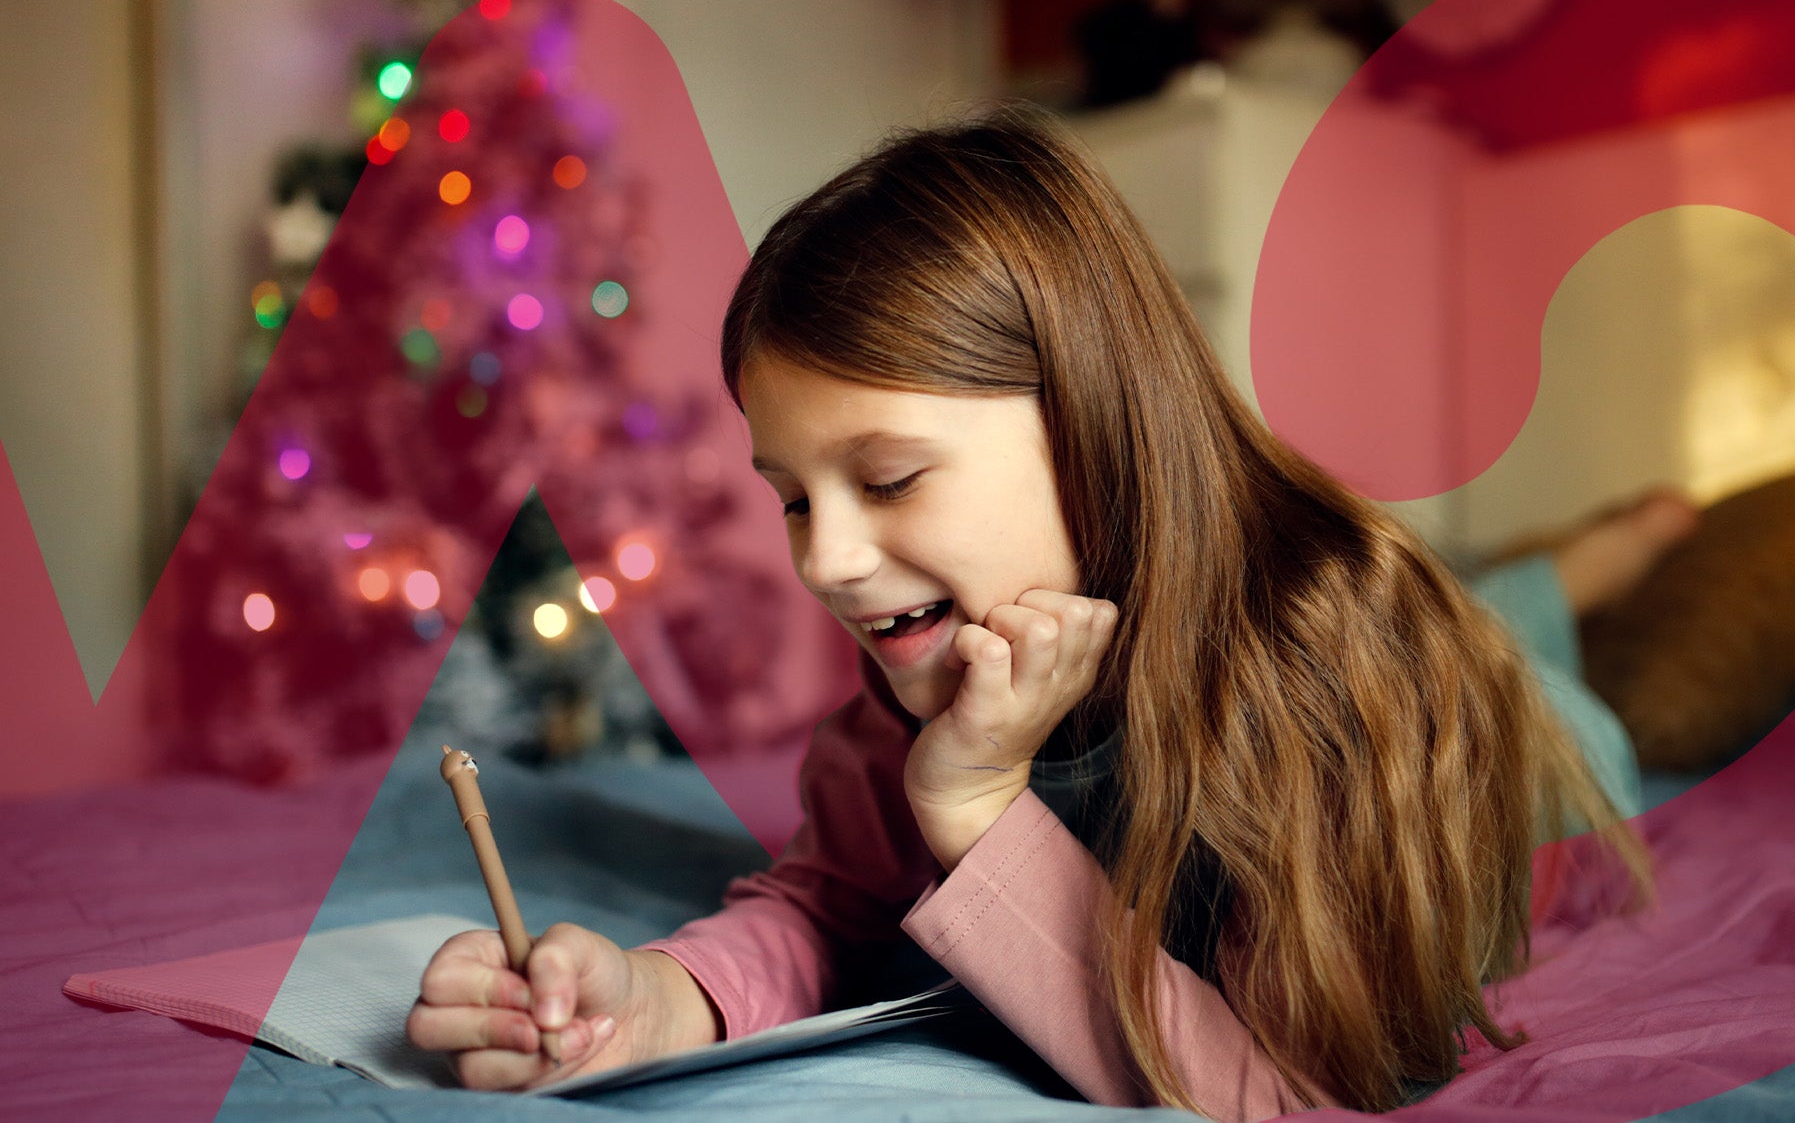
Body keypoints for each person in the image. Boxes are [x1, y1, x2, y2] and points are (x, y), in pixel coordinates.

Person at [406, 104, 1672, 1119]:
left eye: (888, 479)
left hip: (1542, 757)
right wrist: (649, 996)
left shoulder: (1338, 678)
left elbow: (1281, 1094)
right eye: (793, 499)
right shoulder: (925, 670)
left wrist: (977, 807)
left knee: (1524, 640)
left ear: (1092, 428)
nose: (830, 560)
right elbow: (828, 903)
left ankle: (1603, 557)